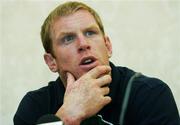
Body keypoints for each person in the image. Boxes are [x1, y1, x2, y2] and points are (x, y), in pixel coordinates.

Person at [14, 1, 180, 125]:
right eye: (68, 38)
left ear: (107, 46)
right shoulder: (34, 106)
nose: (83, 43)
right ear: (51, 61)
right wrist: (66, 117)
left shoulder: (150, 95)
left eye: (90, 33)